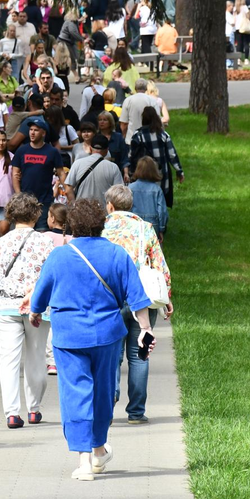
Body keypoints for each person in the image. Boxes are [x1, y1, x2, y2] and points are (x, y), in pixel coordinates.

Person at [25, 198, 154, 481]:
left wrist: (35, 312)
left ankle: (85, 460)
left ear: (72, 225)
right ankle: (98, 448)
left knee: (75, 392)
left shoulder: (59, 255)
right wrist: (145, 328)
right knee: (104, 393)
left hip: (69, 336)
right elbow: (137, 296)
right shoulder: (117, 254)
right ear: (102, 224)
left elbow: (41, 293)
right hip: (107, 335)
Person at [102, 185, 172, 424]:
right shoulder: (145, 229)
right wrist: (167, 297)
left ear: (110, 205)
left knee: (111, 355)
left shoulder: (101, 228)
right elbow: (159, 265)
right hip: (142, 297)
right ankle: (136, 412)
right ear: (131, 205)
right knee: (140, 354)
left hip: (110, 299)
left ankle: (108, 406)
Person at [0, 193, 56, 428]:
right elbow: (50, 277)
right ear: (37, 214)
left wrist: (13, 290)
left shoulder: (0, 242)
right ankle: (34, 408)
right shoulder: (46, 243)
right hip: (37, 308)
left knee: (8, 360)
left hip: (7, 307)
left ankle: (11, 412)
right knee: (37, 357)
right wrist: (31, 292)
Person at [11, 116, 66, 230]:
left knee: (42, 231)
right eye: (31, 130)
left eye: (36, 130)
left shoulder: (52, 151)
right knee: (23, 231)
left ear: (43, 133)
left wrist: (66, 190)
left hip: (44, 200)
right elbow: (15, 173)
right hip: (25, 200)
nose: (32, 133)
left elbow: (61, 173)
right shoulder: (22, 150)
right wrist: (18, 194)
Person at [129, 107, 184, 207]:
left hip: (143, 173)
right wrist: (179, 171)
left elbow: (131, 155)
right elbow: (172, 155)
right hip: (160, 174)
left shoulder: (138, 135)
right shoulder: (163, 135)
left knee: (144, 202)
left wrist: (130, 172)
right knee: (159, 201)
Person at [64, 135, 125, 206]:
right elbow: (119, 193)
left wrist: (74, 206)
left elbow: (68, 189)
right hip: (103, 213)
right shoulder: (113, 167)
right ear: (107, 151)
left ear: (90, 148)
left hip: (81, 212)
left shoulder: (77, 163)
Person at [128, 156, 168, 238]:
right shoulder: (156, 189)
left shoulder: (130, 188)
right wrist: (161, 229)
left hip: (134, 224)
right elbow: (162, 212)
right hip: (152, 225)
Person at [96, 111, 129, 179]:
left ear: (110, 122)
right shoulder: (95, 137)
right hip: (98, 173)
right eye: (100, 120)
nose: (102, 122)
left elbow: (124, 158)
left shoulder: (118, 137)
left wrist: (126, 173)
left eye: (105, 120)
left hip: (115, 173)